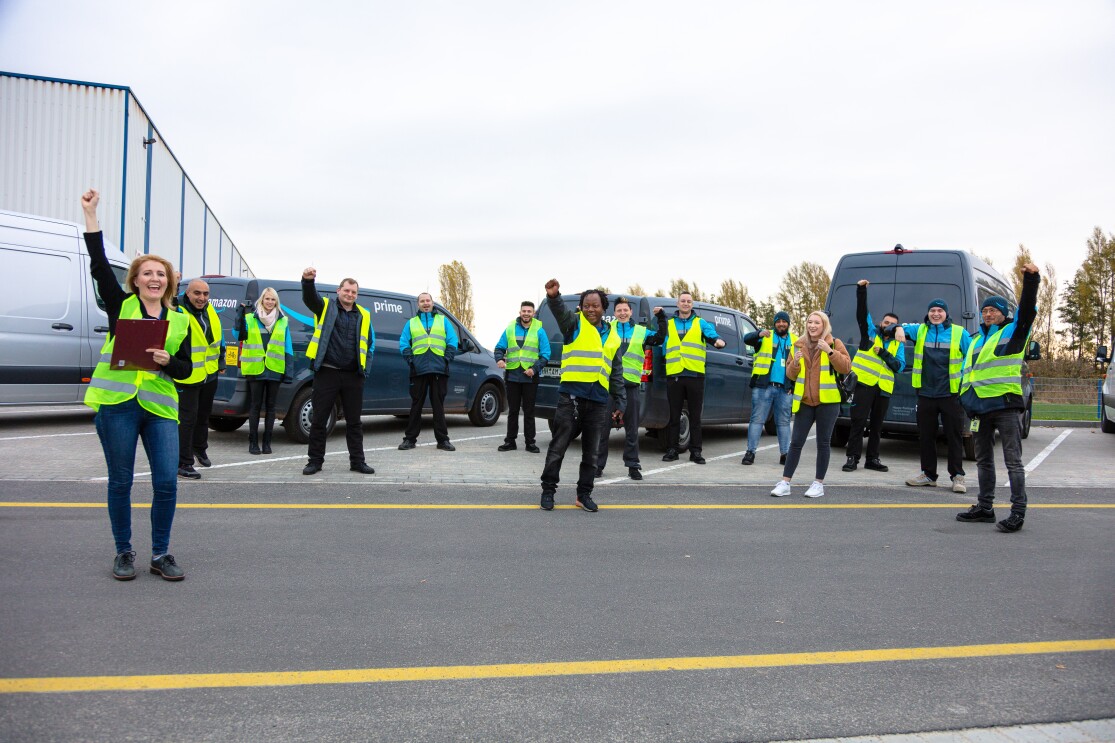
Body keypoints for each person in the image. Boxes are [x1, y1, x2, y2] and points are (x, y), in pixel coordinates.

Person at [80, 189, 192, 581]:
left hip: (160, 409)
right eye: (148, 272)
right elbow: (97, 265)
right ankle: (123, 551)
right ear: (136, 280)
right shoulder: (120, 305)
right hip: (119, 407)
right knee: (121, 481)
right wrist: (91, 217)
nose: (155, 278)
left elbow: (187, 369)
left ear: (169, 282)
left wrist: (169, 362)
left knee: (165, 481)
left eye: (161, 273)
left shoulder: (181, 320)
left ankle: (160, 554)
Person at [956, 264, 1040, 533]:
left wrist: (1031, 280)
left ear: (1004, 314)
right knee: (983, 461)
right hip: (980, 409)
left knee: (1013, 461)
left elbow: (1027, 310)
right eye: (985, 311)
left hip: (1004, 406)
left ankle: (1017, 512)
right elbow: (968, 374)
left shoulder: (1013, 332)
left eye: (993, 310)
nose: (988, 314)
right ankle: (985, 507)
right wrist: (966, 401)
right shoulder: (977, 340)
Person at [539, 280, 625, 512]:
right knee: (558, 447)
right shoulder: (573, 325)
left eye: (595, 306)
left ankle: (583, 494)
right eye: (586, 305)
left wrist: (620, 401)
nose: (590, 309)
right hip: (571, 398)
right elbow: (559, 312)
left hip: (598, 400)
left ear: (603, 308)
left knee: (592, 453)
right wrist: (554, 297)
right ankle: (548, 491)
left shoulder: (613, 336)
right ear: (581, 307)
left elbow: (615, 371)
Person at [301, 268, 375, 476]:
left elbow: (369, 345)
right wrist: (308, 281)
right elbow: (309, 298)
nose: (350, 295)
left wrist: (364, 370)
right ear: (338, 291)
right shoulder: (325, 306)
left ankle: (357, 462)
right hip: (327, 372)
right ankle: (314, 462)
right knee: (319, 419)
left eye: (353, 292)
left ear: (356, 295)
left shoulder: (364, 315)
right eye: (346, 291)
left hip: (353, 375)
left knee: (354, 422)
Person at [771, 311, 852, 499]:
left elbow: (846, 367)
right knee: (796, 443)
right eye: (810, 322)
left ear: (824, 326)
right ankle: (785, 483)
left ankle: (818, 484)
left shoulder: (834, 343)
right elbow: (790, 375)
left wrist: (830, 352)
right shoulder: (797, 344)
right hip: (804, 402)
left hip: (828, 402)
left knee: (823, 443)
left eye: (817, 322)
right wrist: (796, 364)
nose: (812, 325)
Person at [901, 298, 973, 492]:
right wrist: (895, 330)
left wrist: (965, 385)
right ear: (928, 313)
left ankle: (958, 476)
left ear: (946, 314)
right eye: (932, 310)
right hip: (925, 393)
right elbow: (895, 329)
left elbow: (971, 358)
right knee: (925, 436)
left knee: (954, 436)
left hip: (950, 394)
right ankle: (928, 475)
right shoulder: (920, 330)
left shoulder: (959, 333)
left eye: (940, 310)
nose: (935, 314)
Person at [595, 296, 667, 480]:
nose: (622, 313)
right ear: (615, 313)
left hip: (631, 387)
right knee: (603, 429)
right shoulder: (607, 331)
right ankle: (597, 465)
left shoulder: (642, 332)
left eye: (625, 310)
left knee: (632, 429)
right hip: (610, 387)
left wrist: (661, 318)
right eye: (619, 310)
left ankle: (633, 466)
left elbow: (659, 338)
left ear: (630, 312)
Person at [842, 280, 905, 473]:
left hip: (884, 389)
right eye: (886, 322)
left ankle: (872, 459)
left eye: (893, 325)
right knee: (858, 422)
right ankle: (852, 458)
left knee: (877, 426)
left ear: (896, 328)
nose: (888, 326)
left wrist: (884, 354)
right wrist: (861, 291)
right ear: (881, 323)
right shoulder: (869, 334)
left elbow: (899, 366)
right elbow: (862, 313)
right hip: (864, 385)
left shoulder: (897, 344)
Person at [660, 291, 726, 464]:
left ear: (692, 304)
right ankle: (672, 450)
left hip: (695, 375)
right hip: (674, 374)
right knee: (674, 416)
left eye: (689, 301)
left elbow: (713, 336)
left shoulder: (700, 323)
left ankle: (696, 452)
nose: (686, 303)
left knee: (695, 417)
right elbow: (662, 346)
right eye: (683, 301)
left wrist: (719, 342)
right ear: (677, 304)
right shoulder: (669, 324)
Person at [174, 278, 225, 478]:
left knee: (204, 416)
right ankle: (183, 462)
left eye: (205, 294)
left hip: (209, 372)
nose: (202, 298)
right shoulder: (177, 310)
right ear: (187, 293)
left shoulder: (210, 310)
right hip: (187, 375)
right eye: (197, 293)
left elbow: (217, 337)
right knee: (186, 420)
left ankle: (199, 449)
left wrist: (220, 362)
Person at [235, 287, 294, 455]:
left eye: (273, 299)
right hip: (255, 368)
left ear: (276, 302)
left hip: (275, 368)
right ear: (261, 300)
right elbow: (237, 333)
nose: (270, 302)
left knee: (271, 407)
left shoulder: (283, 321)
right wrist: (240, 313)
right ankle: (253, 442)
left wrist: (288, 372)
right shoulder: (249, 318)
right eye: (267, 299)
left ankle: (267, 443)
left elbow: (287, 347)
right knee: (254, 406)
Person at [398, 293, 460, 451]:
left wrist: (447, 359)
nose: (425, 303)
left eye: (428, 301)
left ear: (432, 303)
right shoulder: (411, 323)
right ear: (418, 304)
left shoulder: (443, 321)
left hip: (439, 369)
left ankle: (443, 440)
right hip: (418, 369)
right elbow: (404, 342)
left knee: (438, 406)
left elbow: (452, 341)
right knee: (416, 405)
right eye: (422, 301)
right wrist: (411, 360)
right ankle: (409, 440)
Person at [494, 301, 550, 453]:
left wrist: (535, 369)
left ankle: (530, 443)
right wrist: (499, 359)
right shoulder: (510, 328)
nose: (526, 313)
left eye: (529, 311)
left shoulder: (539, 330)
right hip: (512, 376)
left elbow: (545, 354)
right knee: (512, 411)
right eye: (524, 311)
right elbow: (499, 347)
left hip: (530, 377)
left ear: (533, 313)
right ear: (520, 312)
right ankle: (510, 442)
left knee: (529, 411)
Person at [741, 311, 795, 466]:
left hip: (785, 389)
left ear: (788, 324)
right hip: (763, 386)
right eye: (778, 321)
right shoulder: (765, 336)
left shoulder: (795, 341)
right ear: (774, 323)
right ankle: (750, 453)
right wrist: (758, 333)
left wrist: (793, 385)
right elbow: (746, 339)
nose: (781, 324)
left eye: (784, 322)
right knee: (757, 420)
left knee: (783, 422)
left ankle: (785, 455)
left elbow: (799, 367)